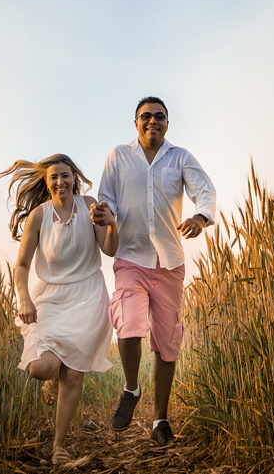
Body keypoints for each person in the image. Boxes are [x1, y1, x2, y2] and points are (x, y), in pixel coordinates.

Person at [91, 97, 216, 448]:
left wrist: (200, 217)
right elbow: (107, 199)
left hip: (169, 263)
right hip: (130, 257)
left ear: (167, 123)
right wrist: (106, 215)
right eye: (145, 116)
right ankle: (131, 388)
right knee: (129, 325)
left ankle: (160, 420)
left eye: (160, 116)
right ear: (135, 123)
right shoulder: (118, 156)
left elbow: (205, 191)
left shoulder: (180, 157)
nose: (153, 121)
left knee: (167, 343)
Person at [0, 153, 119, 466]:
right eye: (53, 176)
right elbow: (22, 265)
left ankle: (59, 445)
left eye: (65, 175)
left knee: (74, 375)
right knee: (43, 368)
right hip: (51, 298)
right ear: (46, 181)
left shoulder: (89, 205)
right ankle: (51, 381)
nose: (60, 181)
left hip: (88, 297)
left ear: (74, 177)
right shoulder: (39, 216)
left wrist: (111, 224)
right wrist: (24, 298)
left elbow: (109, 250)